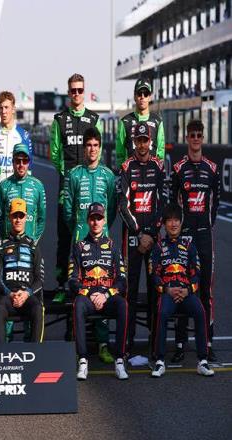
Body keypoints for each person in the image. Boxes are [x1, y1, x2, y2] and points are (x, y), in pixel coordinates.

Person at [63, 127, 117, 363]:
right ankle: (77, 343)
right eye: (89, 145)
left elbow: (111, 209)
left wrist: (102, 229)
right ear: (84, 148)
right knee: (79, 289)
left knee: (102, 286)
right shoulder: (74, 174)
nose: (92, 149)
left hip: (103, 240)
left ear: (100, 147)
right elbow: (67, 209)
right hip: (79, 238)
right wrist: (78, 228)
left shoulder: (108, 175)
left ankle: (103, 344)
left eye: (96, 145)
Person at [170, 119, 220, 362]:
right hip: (185, 236)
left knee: (205, 289)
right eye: (192, 135)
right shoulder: (178, 168)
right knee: (181, 284)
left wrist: (207, 224)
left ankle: (207, 343)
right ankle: (180, 343)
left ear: (203, 138)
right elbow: (172, 203)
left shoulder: (212, 168)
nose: (196, 139)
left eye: (199, 135)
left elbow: (215, 203)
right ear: (187, 138)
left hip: (204, 235)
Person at [49, 73, 102, 291]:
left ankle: (92, 280)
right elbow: (54, 154)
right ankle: (62, 283)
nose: (77, 94)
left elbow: (97, 150)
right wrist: (68, 175)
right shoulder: (59, 120)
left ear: (84, 91)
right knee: (64, 236)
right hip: (67, 186)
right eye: (73, 90)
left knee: (92, 233)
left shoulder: (94, 119)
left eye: (80, 90)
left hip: (89, 185)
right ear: (68, 92)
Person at [149, 203, 214, 377]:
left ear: (181, 222)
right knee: (162, 313)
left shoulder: (189, 246)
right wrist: (166, 290)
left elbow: (197, 273)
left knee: (200, 311)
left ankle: (203, 361)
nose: (173, 224)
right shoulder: (158, 247)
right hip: (167, 293)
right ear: (164, 224)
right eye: (169, 220)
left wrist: (188, 291)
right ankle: (160, 361)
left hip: (186, 293)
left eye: (176, 220)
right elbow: (154, 275)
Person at [118, 121, 166, 355]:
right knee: (131, 290)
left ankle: (154, 341)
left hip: (153, 238)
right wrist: (139, 233)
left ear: (151, 142)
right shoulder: (126, 167)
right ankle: (128, 342)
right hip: (133, 238)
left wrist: (152, 233)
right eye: (138, 140)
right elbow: (123, 205)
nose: (142, 144)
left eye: (145, 140)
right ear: (134, 142)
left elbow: (163, 202)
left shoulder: (159, 166)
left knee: (156, 288)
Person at [69, 202, 128, 381]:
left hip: (107, 296)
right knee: (78, 305)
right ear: (88, 221)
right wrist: (89, 293)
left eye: (99, 218)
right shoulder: (79, 246)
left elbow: (122, 280)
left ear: (104, 221)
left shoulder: (113, 246)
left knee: (123, 305)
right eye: (93, 219)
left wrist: (106, 294)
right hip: (88, 296)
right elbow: (72, 280)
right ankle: (83, 359)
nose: (96, 222)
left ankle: (119, 360)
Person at [0, 91, 33, 272]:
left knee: (20, 237)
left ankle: (19, 276)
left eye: (6, 107)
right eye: (1, 108)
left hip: (19, 193)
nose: (3, 111)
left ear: (13, 109)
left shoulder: (23, 135)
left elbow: (30, 167)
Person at [0, 198, 44, 343]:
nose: (18, 220)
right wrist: (10, 294)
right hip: (8, 296)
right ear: (10, 217)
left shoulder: (33, 246)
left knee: (38, 308)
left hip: (27, 296)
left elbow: (39, 279)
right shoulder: (1, 246)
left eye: (21, 216)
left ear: (26, 218)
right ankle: (0, 352)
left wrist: (26, 293)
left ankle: (35, 352)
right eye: (15, 216)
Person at [0, 143, 46, 241]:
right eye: (18, 161)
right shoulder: (3, 186)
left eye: (25, 161)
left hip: (30, 243)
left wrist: (34, 241)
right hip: (9, 243)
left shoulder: (38, 186)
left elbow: (42, 219)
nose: (21, 165)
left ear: (29, 163)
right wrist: (5, 239)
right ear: (12, 162)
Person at [115, 78, 165, 168]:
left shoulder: (157, 121)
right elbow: (120, 154)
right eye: (139, 93)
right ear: (134, 96)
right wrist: (121, 171)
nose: (142, 97)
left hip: (151, 173)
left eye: (145, 94)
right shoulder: (125, 122)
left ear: (149, 97)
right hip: (131, 173)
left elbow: (160, 153)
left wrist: (158, 171)